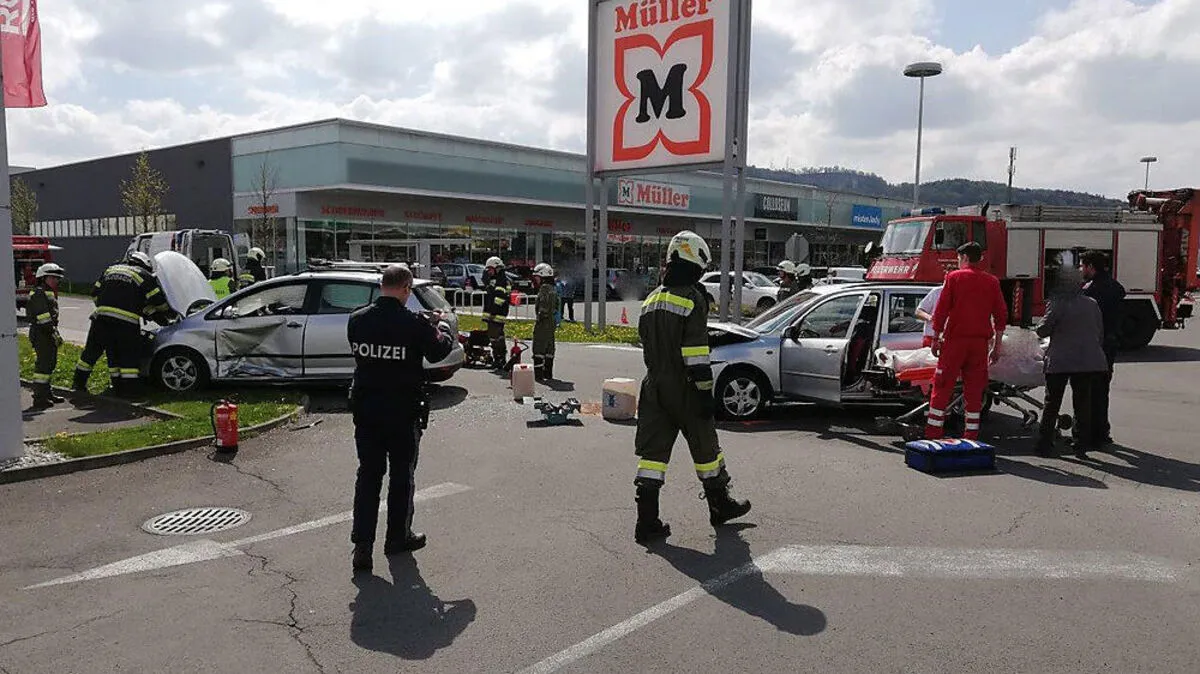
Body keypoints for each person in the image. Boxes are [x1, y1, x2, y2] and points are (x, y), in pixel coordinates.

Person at [633, 230, 752, 545]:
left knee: (653, 456)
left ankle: (646, 522)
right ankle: (719, 505)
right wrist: (704, 393)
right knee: (706, 449)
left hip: (654, 385)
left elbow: (650, 344)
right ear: (694, 262)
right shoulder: (692, 298)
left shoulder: (652, 299)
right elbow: (695, 355)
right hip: (684, 386)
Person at [348, 264, 455, 573]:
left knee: (368, 475)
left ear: (383, 286)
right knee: (401, 475)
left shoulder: (357, 320)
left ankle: (362, 547)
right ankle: (397, 537)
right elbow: (438, 353)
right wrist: (442, 327)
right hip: (401, 410)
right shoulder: (413, 324)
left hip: (366, 409)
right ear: (407, 289)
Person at [926, 242, 1008, 440]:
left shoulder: (954, 278)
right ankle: (971, 435)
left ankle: (933, 434)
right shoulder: (992, 282)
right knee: (974, 391)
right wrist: (996, 347)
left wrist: (936, 338)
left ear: (963, 258)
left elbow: (941, 310)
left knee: (942, 387)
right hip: (979, 344)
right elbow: (1001, 316)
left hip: (955, 342)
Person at [73, 251, 173, 397]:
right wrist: (167, 313)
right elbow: (158, 301)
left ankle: (78, 385)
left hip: (100, 320)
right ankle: (129, 392)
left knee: (91, 354)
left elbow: (94, 294)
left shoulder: (110, 270)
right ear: (144, 264)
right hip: (126, 324)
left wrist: (106, 307)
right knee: (128, 357)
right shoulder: (143, 275)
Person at [1034, 265, 1109, 459]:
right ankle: (1081, 444)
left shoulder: (1058, 302)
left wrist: (1039, 330)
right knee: (1083, 402)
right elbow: (1099, 332)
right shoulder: (1092, 303)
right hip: (1088, 359)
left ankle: (1045, 443)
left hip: (1061, 360)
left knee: (1052, 402)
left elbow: (1043, 330)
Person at [1080, 250, 1125, 447]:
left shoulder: (1090, 290)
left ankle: (1087, 434)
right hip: (1109, 345)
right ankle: (1102, 431)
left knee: (1086, 391)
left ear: (1091, 267)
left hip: (1092, 345)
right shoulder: (1116, 287)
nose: (1081, 269)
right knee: (1102, 389)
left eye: (1083, 266)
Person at [26, 263, 67, 409]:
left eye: (57, 278)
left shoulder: (47, 291)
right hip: (42, 333)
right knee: (43, 365)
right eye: (53, 277)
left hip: (48, 332)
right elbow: (43, 317)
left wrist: (53, 332)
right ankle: (39, 398)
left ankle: (47, 393)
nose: (56, 280)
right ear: (43, 278)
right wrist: (52, 333)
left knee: (50, 363)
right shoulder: (38, 292)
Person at [481, 257, 511, 370]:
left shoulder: (502, 280)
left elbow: (500, 298)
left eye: (490, 269)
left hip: (497, 314)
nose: (488, 271)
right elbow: (488, 288)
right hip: (495, 313)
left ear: (496, 268)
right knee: (496, 336)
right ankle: (499, 357)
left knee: (495, 337)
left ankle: (499, 358)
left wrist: (492, 311)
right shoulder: (496, 279)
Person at [532, 263, 559, 381]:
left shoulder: (544, 289)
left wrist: (540, 317)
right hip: (551, 322)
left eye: (537, 277)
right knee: (549, 346)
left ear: (543, 276)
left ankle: (538, 375)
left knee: (538, 347)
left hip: (543, 322)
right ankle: (548, 373)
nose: (535, 279)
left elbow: (542, 306)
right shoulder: (553, 289)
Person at [915, 283, 944, 348]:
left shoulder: (962, 292)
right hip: (931, 336)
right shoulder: (937, 291)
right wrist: (930, 317)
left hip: (953, 338)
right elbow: (918, 312)